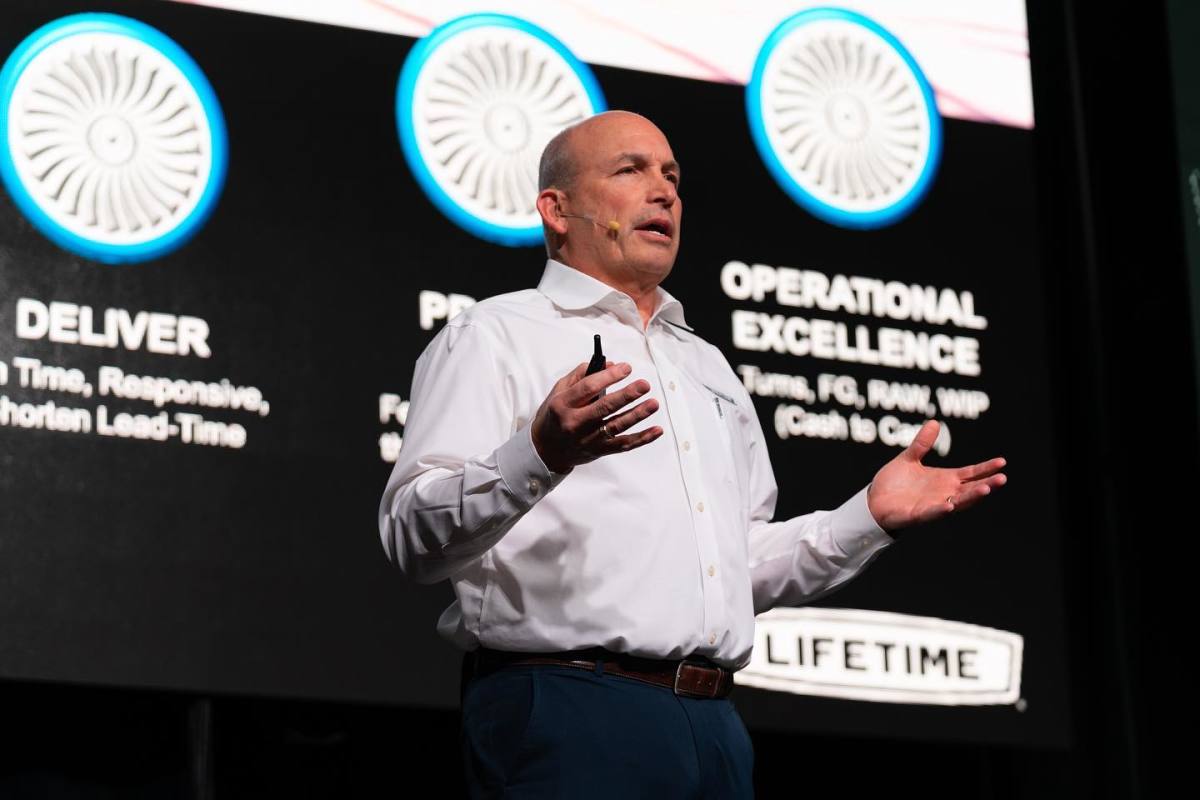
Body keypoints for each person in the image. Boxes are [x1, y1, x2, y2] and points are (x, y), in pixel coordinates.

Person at [378, 110, 1007, 798]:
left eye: (672, 176)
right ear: (557, 210)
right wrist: (539, 453)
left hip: (712, 726)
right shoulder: (494, 335)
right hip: (566, 710)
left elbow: (737, 566)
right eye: (631, 170)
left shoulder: (707, 366)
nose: (665, 191)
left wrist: (868, 517)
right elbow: (413, 537)